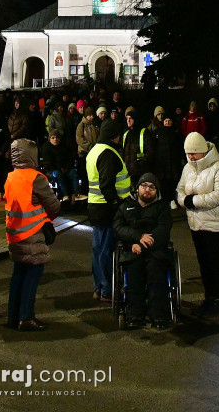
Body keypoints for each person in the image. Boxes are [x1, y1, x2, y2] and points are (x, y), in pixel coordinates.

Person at [4, 138, 60, 331]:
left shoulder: (11, 176)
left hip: (14, 232)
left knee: (18, 274)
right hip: (33, 232)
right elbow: (54, 205)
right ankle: (26, 317)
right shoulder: (35, 177)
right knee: (33, 274)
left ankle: (13, 317)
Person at [177, 132, 219, 320]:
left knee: (214, 264)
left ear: (203, 151)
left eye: (195, 153)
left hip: (214, 224)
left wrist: (193, 201)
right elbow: (180, 190)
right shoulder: (187, 168)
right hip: (196, 224)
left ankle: (216, 300)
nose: (191, 157)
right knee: (204, 264)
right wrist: (184, 200)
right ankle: (208, 299)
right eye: (189, 153)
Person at [113, 172, 173, 329]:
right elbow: (118, 228)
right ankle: (135, 314)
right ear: (137, 188)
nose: (147, 190)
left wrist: (143, 244)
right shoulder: (126, 206)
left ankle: (159, 315)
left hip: (155, 250)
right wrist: (136, 238)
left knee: (157, 276)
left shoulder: (162, 208)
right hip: (132, 249)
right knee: (134, 275)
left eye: (152, 187)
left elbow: (163, 230)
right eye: (144, 186)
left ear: (156, 191)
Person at [86, 118, 130, 302]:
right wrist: (116, 205)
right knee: (105, 250)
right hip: (106, 208)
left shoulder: (94, 151)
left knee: (98, 248)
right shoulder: (108, 153)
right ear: (114, 136)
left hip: (94, 205)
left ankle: (99, 287)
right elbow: (106, 184)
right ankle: (106, 289)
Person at [40, 129, 79, 202]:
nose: (55, 139)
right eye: (53, 138)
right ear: (49, 139)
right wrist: (59, 168)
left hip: (65, 168)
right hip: (52, 169)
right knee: (58, 174)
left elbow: (70, 158)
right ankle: (65, 195)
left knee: (73, 173)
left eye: (57, 137)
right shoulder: (46, 147)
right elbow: (48, 162)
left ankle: (76, 194)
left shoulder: (64, 146)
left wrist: (66, 167)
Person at [122, 109, 155, 186]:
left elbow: (150, 151)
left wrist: (141, 164)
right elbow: (122, 150)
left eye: (130, 118)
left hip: (141, 172)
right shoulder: (126, 134)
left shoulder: (144, 132)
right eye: (127, 118)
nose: (128, 121)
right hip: (128, 172)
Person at [75, 106, 100, 198]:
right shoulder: (81, 125)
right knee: (85, 175)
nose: (91, 117)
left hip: (94, 153)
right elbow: (79, 139)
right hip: (84, 153)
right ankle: (85, 193)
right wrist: (89, 146)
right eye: (89, 115)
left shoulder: (95, 125)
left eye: (92, 115)